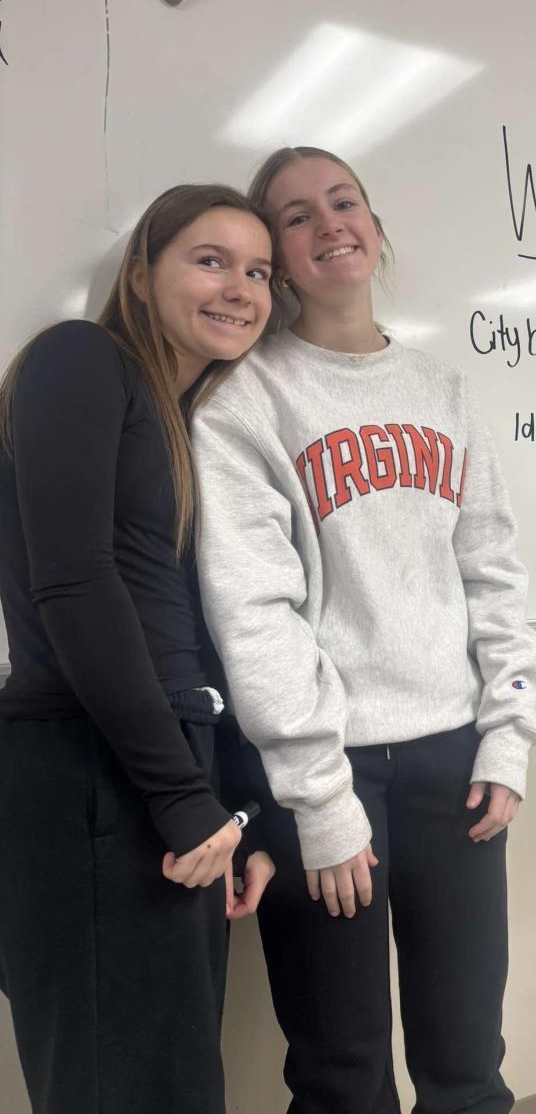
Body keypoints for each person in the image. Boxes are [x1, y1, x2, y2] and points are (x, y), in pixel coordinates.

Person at [191, 146, 536, 1114]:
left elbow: (495, 576)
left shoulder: (444, 391)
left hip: (455, 764)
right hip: (324, 773)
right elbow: (253, 614)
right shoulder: (244, 400)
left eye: (343, 202)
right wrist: (318, 797)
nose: (328, 224)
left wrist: (510, 734)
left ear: (377, 231)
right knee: (342, 1076)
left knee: (467, 1062)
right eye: (296, 216)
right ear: (277, 260)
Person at [0, 184, 277, 1114]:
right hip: (92, 764)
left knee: (174, 1080)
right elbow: (74, 584)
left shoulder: (186, 422)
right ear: (140, 272)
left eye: (258, 272)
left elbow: (196, 630)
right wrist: (181, 798)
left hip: (165, 764)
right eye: (210, 260)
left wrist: (236, 809)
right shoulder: (80, 360)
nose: (239, 288)